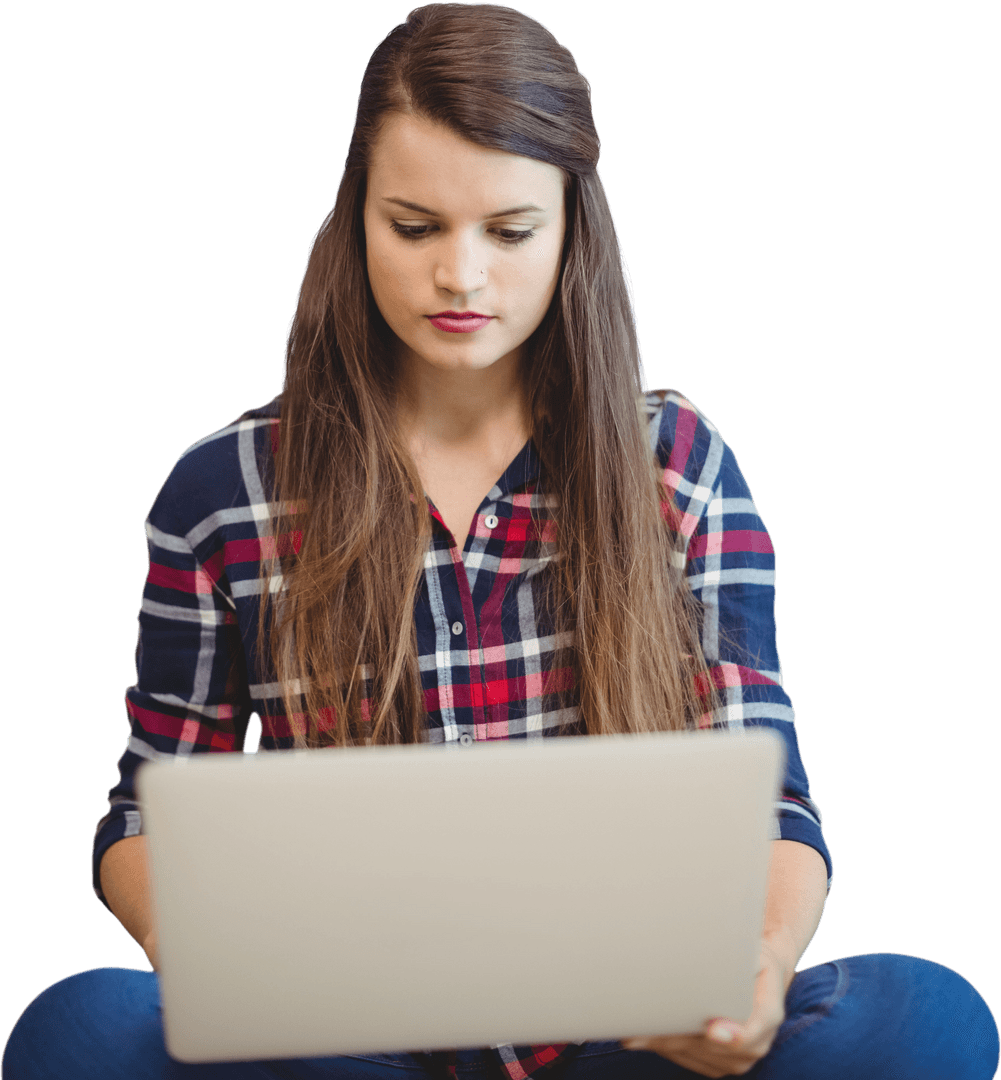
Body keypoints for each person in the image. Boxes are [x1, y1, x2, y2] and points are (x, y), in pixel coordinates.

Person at [3, 5, 997, 1079]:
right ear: (354, 220)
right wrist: (201, 961)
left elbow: (771, 795)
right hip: (339, 1047)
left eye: (509, 231)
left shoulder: (677, 461)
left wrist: (755, 969)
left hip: (623, 1040)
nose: (461, 279)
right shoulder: (220, 493)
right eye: (414, 226)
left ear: (572, 228)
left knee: (923, 1021)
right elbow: (147, 808)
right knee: (79, 1032)